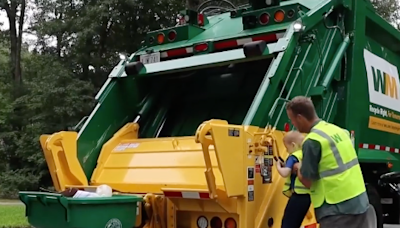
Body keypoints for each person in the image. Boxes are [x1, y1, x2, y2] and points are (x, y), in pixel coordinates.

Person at [285, 96, 370, 228]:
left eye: (292, 120)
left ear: (300, 118)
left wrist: (297, 167)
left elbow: (307, 181)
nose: (293, 124)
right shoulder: (338, 131)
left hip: (337, 208)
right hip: (359, 201)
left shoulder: (312, 141)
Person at [276, 130, 311, 228]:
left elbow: (285, 173)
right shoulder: (303, 154)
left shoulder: (293, 157)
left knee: (288, 224)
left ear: (293, 145)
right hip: (307, 196)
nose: (287, 151)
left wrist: (278, 166)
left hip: (298, 195)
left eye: (287, 148)